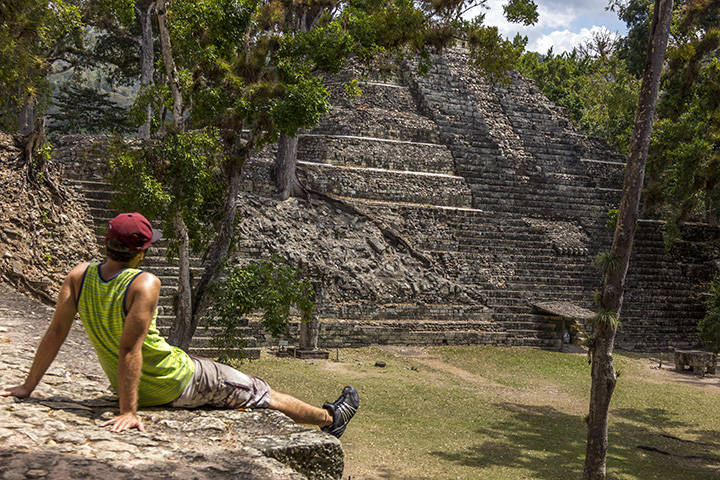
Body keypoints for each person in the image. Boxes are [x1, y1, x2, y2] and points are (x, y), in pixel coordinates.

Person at [0, 212, 359, 438]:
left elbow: (55, 333)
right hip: (179, 381)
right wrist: (128, 411)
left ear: (106, 243)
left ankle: (329, 416)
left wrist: (28, 387)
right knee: (261, 392)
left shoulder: (79, 277)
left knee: (245, 386)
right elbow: (130, 348)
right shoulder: (143, 283)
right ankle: (331, 418)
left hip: (146, 383)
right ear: (140, 252)